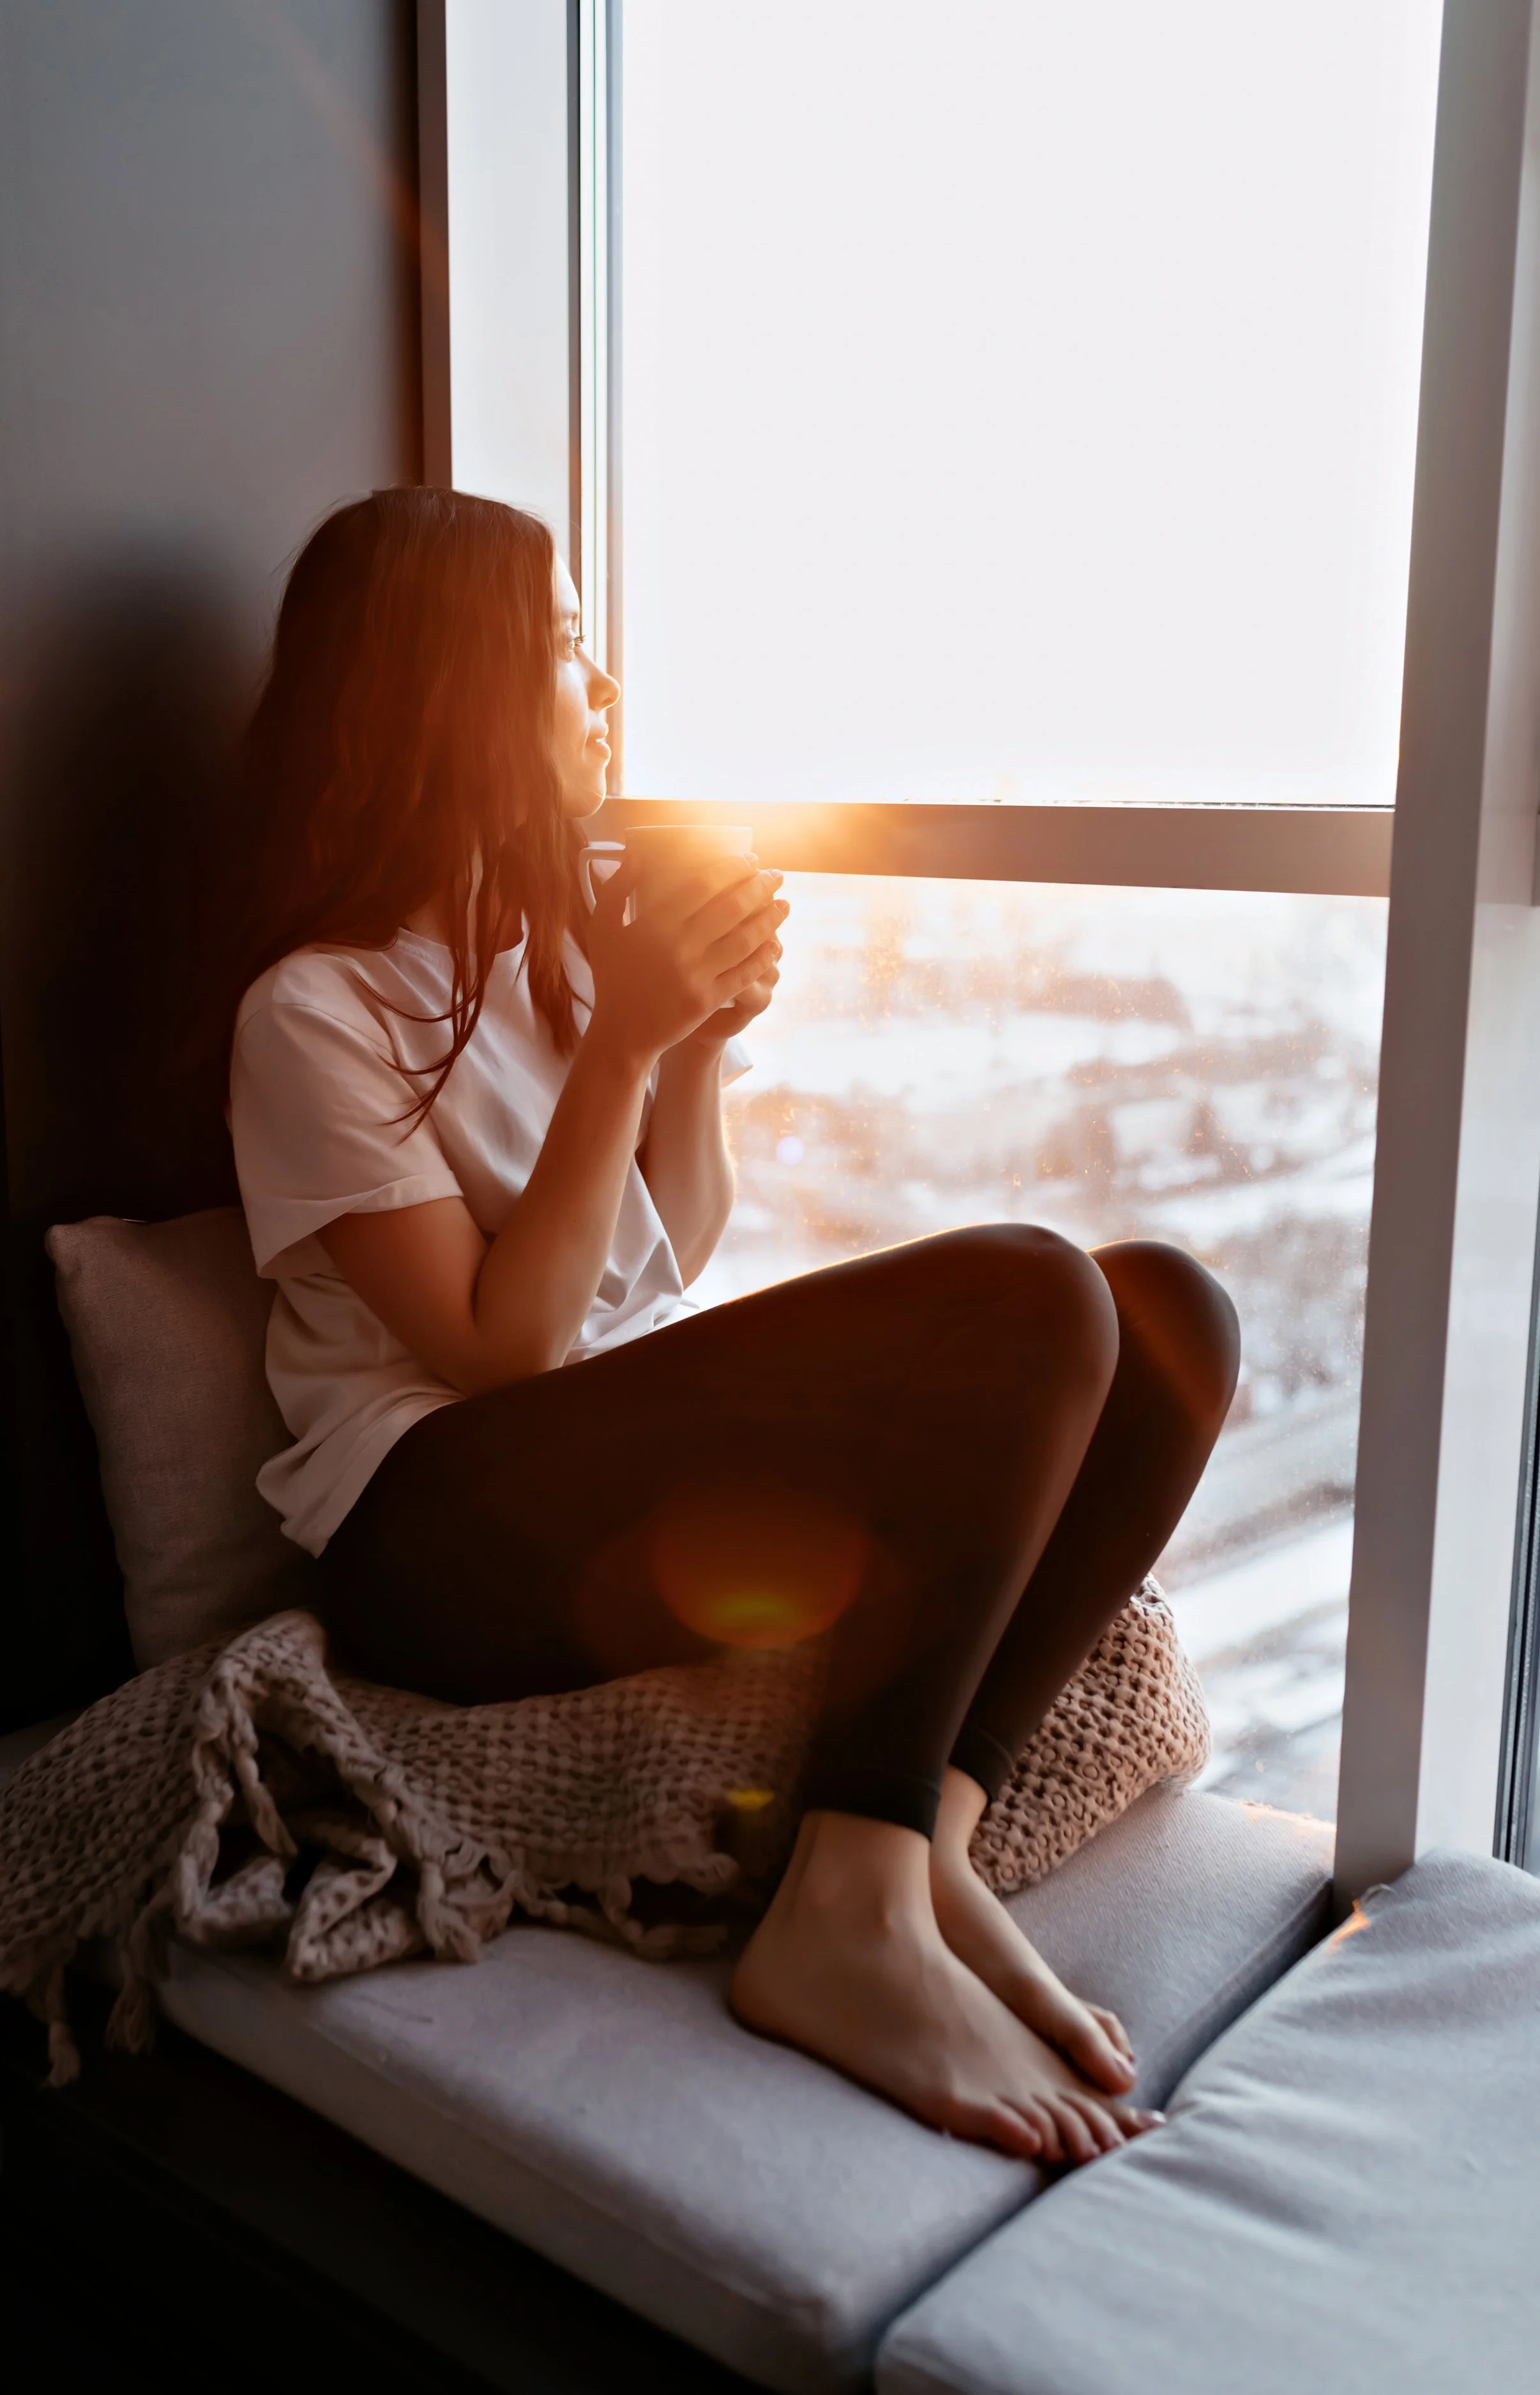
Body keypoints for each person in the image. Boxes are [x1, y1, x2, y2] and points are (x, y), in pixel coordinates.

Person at [224, 486, 1240, 2168]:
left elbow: (663, 1249)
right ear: (451, 689)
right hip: (426, 1537)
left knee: (1164, 1311)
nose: (596, 684)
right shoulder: (315, 1009)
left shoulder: (552, 957)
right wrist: (625, 1041)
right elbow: (503, 1347)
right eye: (558, 647)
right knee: (1024, 1286)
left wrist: (683, 1044)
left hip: (570, 1469)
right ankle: (835, 1914)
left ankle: (924, 1842)